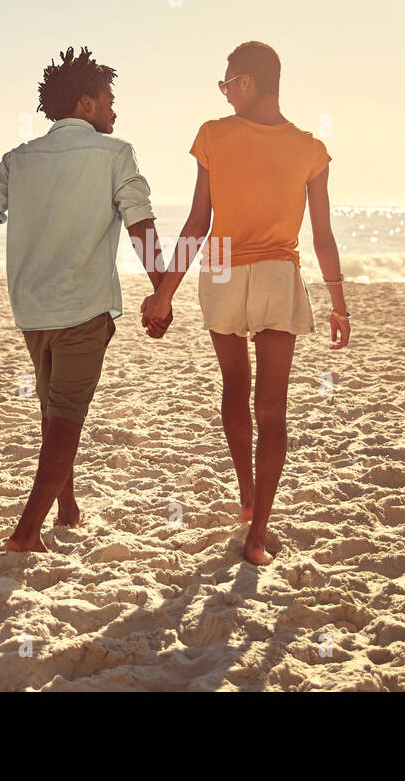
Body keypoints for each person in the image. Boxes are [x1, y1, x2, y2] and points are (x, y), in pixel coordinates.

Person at [0, 46, 170, 552]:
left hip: (32, 311)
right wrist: (161, 290)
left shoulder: (19, 159)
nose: (115, 111)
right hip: (84, 307)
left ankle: (67, 505)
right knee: (66, 419)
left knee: (55, 411)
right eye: (108, 100)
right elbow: (141, 223)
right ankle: (26, 531)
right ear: (85, 104)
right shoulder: (116, 153)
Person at [141, 41, 350, 565]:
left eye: (228, 82)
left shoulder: (213, 135)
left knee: (235, 387)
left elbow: (197, 223)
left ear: (249, 82)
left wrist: (164, 293)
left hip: (223, 269)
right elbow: (323, 236)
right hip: (280, 274)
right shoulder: (310, 148)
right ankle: (257, 534)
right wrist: (339, 304)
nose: (225, 91)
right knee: (272, 408)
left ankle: (247, 496)